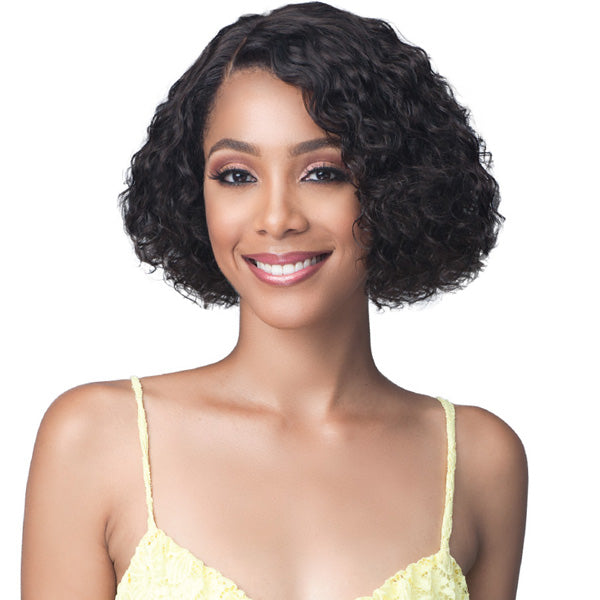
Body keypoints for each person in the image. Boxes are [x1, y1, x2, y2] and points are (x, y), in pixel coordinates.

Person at [21, 3, 527, 599]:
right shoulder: (97, 439)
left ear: (397, 186)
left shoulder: (478, 460)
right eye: (237, 175)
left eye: (323, 172)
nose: (277, 218)